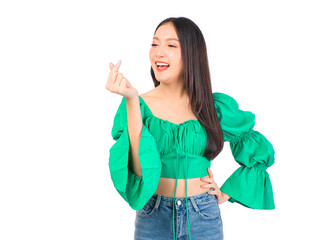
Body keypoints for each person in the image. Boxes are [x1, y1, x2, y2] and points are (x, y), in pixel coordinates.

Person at [105, 17, 275, 240]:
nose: (159, 52)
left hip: (203, 215)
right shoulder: (138, 105)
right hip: (153, 215)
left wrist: (226, 193)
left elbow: (257, 150)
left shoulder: (214, 108)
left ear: (191, 54)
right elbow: (138, 172)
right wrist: (131, 98)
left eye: (171, 45)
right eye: (155, 44)